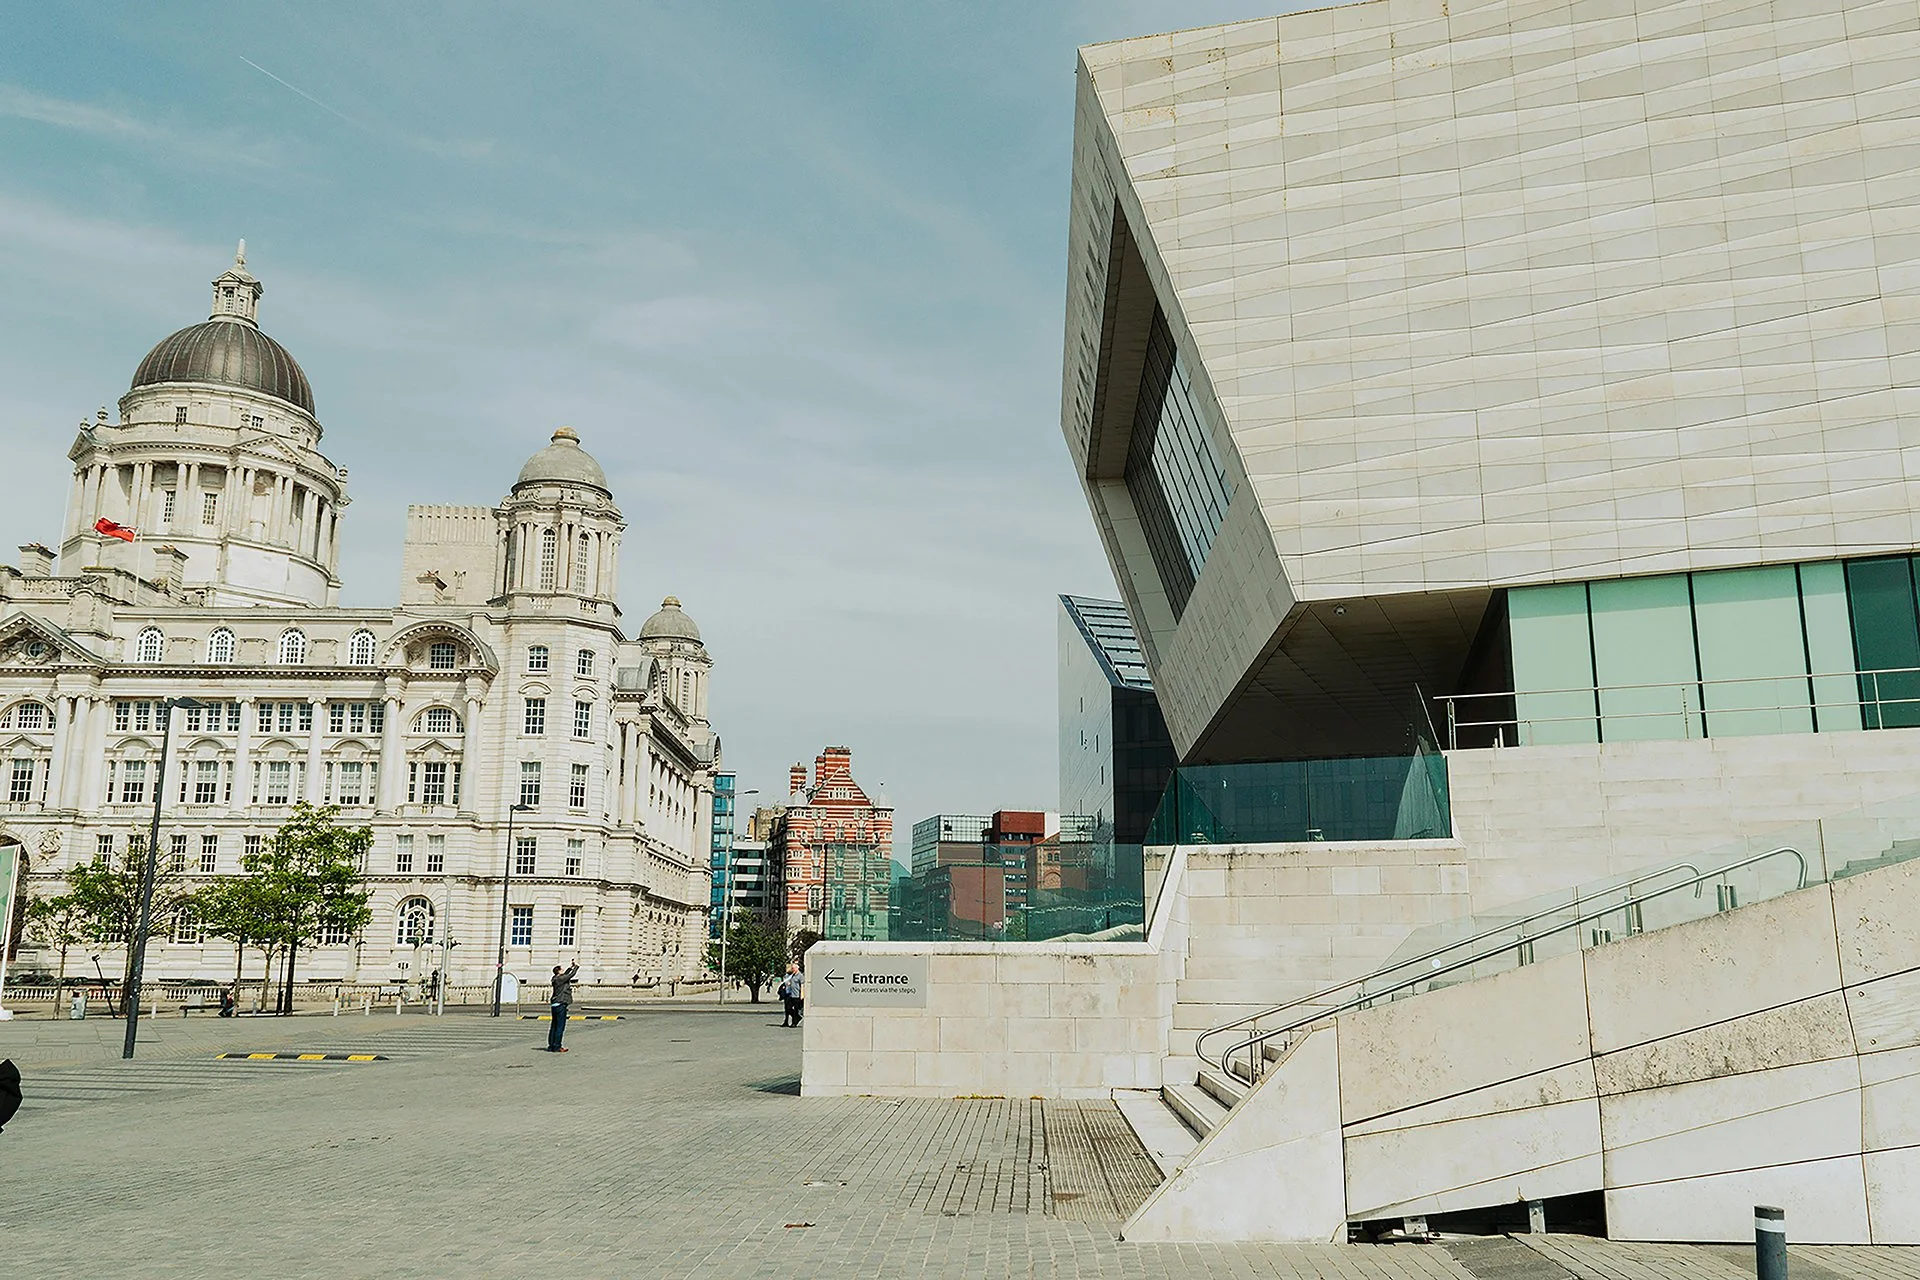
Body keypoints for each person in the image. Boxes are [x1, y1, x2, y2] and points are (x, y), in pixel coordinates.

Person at [547, 961, 579, 1052]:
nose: (563, 970)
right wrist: (576, 967)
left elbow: (565, 975)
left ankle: (551, 1045)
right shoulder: (560, 979)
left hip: (555, 1003)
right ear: (559, 971)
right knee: (560, 1026)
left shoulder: (555, 978)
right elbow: (570, 975)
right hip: (561, 1003)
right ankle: (557, 1046)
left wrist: (570, 967)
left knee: (554, 1025)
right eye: (562, 969)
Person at [779, 963, 804, 1027]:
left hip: (796, 994)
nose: (792, 969)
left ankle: (794, 1022)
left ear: (797, 968)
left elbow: (802, 986)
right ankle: (796, 1018)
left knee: (796, 1009)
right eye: (792, 968)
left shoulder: (800, 976)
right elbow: (787, 982)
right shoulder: (791, 975)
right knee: (788, 1008)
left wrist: (802, 995)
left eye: (793, 968)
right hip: (790, 994)